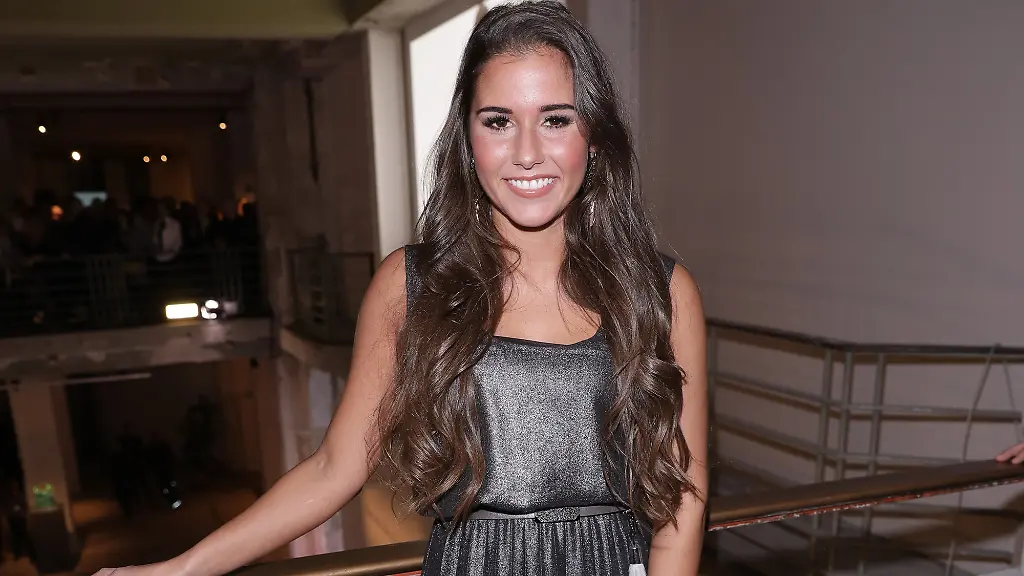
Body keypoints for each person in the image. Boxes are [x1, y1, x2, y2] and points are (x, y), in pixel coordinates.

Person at [93, 2, 707, 575]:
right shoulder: (412, 286)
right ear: (467, 140)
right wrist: (180, 569)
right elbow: (335, 467)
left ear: (593, 136)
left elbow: (683, 504)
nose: (527, 153)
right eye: (498, 121)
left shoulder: (661, 293)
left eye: (555, 120)